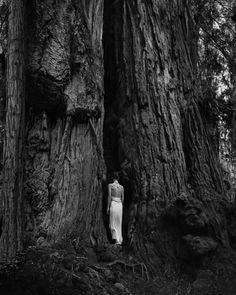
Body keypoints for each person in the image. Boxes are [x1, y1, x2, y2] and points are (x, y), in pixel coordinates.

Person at [107, 173, 124, 245]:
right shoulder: (121, 187)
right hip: (120, 204)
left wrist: (108, 207)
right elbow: (123, 198)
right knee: (118, 222)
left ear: (112, 178)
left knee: (112, 222)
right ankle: (119, 240)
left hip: (113, 203)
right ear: (118, 178)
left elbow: (109, 197)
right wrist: (121, 206)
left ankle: (116, 239)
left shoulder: (110, 185)